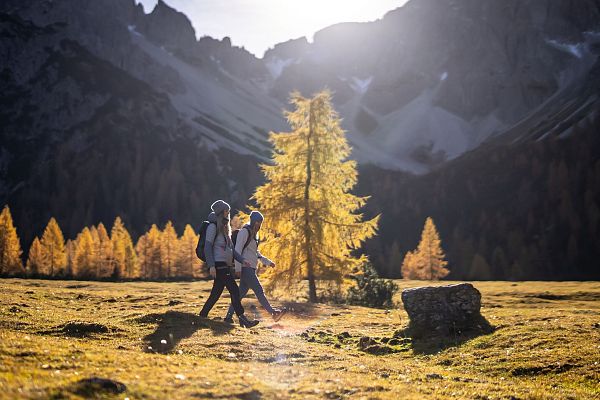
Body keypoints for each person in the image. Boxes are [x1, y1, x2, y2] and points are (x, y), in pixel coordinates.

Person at [199, 200, 259, 328]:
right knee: (234, 290)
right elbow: (207, 248)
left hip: (225, 265)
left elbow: (231, 249)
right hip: (218, 265)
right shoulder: (212, 227)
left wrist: (242, 260)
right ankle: (243, 319)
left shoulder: (225, 229)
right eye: (226, 211)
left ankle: (202, 315)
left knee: (215, 294)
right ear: (221, 212)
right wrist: (211, 266)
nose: (228, 213)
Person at [224, 211, 287, 323]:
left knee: (239, 295)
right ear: (253, 221)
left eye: (260, 222)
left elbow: (256, 252)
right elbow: (237, 250)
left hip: (251, 267)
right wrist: (238, 268)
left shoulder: (254, 234)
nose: (259, 224)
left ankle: (228, 317)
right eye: (258, 222)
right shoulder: (244, 231)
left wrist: (268, 262)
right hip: (245, 268)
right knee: (259, 290)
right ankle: (273, 313)